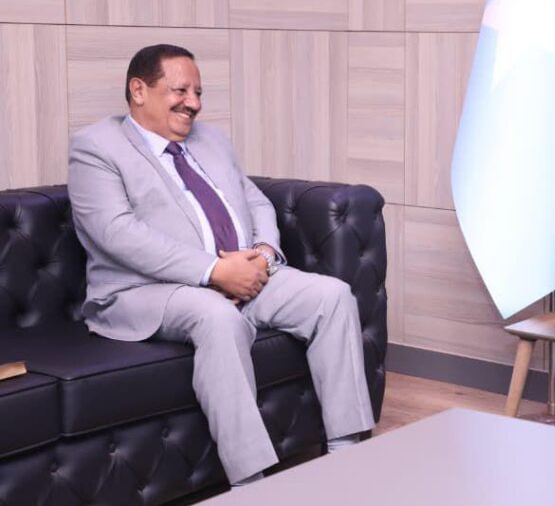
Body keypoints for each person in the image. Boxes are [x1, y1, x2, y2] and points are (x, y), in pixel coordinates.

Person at [67, 45, 374, 487]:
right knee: (216, 315)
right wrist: (213, 271)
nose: (193, 102)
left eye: (198, 92)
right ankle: (251, 482)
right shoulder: (96, 147)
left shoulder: (210, 140)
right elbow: (116, 233)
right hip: (146, 291)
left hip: (245, 272)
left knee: (332, 296)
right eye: (180, 90)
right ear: (138, 90)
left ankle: (347, 452)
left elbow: (255, 201)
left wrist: (263, 254)